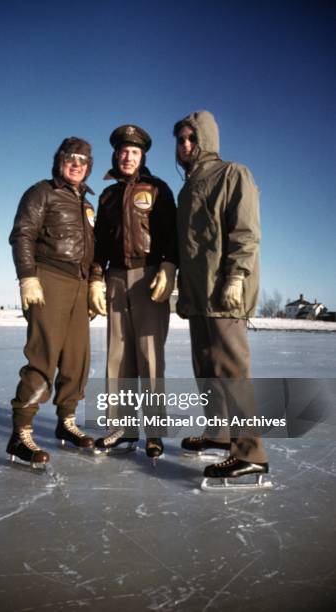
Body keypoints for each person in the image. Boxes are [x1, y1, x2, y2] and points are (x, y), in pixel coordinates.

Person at [173, 110, 270, 488]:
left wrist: (237, 275)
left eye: (191, 139)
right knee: (207, 370)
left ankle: (250, 454)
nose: (185, 146)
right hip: (198, 296)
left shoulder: (233, 174)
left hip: (225, 292)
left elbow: (245, 231)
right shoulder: (187, 188)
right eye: (180, 140)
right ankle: (218, 433)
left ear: (206, 140)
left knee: (232, 372)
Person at [89, 125, 177, 459]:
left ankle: (154, 432)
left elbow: (171, 233)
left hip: (149, 276)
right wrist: (96, 277)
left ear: (142, 157)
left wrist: (169, 266)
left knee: (149, 356)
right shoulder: (108, 195)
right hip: (115, 277)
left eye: (135, 152)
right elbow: (99, 243)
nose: (128, 157)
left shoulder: (157, 189)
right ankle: (123, 427)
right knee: (118, 355)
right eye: (124, 151)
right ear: (116, 154)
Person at [7, 137, 96, 466]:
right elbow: (23, 233)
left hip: (80, 285)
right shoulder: (41, 192)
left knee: (77, 359)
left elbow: (94, 249)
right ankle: (21, 433)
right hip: (50, 278)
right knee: (43, 355)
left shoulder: (87, 203)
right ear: (59, 162)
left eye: (83, 161)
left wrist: (95, 281)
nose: (77, 164)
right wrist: (27, 276)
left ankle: (66, 422)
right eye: (71, 158)